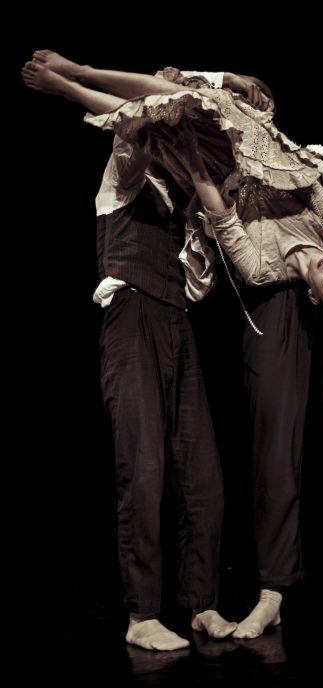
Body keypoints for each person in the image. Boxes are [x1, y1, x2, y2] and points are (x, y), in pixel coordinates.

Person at [23, 54, 323, 634]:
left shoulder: (283, 231)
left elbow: (182, 146)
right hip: (176, 267)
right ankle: (248, 594)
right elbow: (154, 107)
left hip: (216, 202)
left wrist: (225, 158)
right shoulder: (180, 169)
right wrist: (229, 93)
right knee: (241, 450)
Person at [21, 56, 255, 651]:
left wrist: (223, 86)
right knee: (143, 468)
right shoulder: (125, 174)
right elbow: (144, 113)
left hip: (177, 325)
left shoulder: (186, 199)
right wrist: (69, 82)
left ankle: (202, 603)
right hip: (130, 317)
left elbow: (200, 286)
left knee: (203, 476)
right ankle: (142, 615)